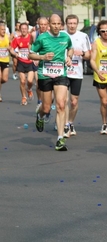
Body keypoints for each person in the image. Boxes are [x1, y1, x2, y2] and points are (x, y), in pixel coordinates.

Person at [29, 14, 73, 151]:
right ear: (49, 24)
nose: (56, 26)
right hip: (45, 74)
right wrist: (42, 56)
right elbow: (30, 54)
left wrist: (69, 57)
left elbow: (70, 48)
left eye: (58, 24)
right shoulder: (42, 38)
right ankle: (40, 115)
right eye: (53, 24)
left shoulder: (65, 37)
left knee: (61, 104)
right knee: (47, 108)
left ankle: (60, 139)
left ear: (61, 24)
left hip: (61, 73)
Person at [63, 14, 91, 137]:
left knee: (74, 102)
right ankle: (63, 124)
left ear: (77, 24)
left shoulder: (83, 36)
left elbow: (89, 55)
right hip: (62, 72)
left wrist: (83, 53)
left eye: (74, 23)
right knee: (63, 101)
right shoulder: (61, 35)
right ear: (66, 24)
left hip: (77, 73)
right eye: (70, 23)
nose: (72, 25)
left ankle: (70, 122)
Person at [9, 23, 34, 105]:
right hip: (21, 62)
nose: (23, 30)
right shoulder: (17, 39)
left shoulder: (31, 37)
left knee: (30, 81)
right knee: (22, 81)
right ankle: (24, 97)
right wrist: (15, 54)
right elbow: (11, 49)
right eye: (22, 28)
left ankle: (29, 89)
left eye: (25, 28)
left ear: (27, 29)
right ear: (20, 30)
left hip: (30, 62)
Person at [0, 23, 10, 101]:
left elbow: (11, 45)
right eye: (2, 30)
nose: (3, 31)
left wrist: (10, 48)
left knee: (5, 79)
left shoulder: (7, 36)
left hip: (6, 60)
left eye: (4, 29)